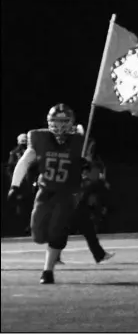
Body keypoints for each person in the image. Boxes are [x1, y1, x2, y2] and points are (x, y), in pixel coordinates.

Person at [7, 104, 88, 284]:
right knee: (38, 236)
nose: (60, 126)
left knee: (57, 230)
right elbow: (24, 161)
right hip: (45, 192)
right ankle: (52, 256)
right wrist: (14, 186)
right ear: (49, 122)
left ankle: (47, 271)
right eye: (56, 121)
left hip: (67, 192)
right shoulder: (39, 138)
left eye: (64, 121)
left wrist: (85, 164)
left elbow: (90, 165)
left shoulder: (80, 142)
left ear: (71, 122)